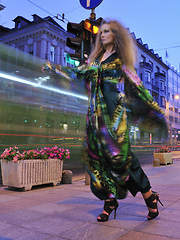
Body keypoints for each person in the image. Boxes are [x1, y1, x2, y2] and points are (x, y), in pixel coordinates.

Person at [43, 19, 168, 222]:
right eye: (101, 32)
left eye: (107, 31)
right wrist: (53, 69)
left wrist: (155, 111)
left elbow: (138, 87)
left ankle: (149, 196)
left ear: (115, 35)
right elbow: (77, 73)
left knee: (123, 161)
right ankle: (109, 201)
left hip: (115, 120)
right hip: (94, 119)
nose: (102, 35)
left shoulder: (121, 62)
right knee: (98, 161)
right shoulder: (95, 61)